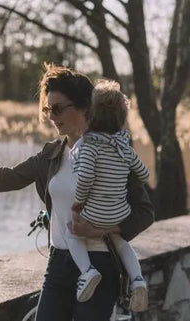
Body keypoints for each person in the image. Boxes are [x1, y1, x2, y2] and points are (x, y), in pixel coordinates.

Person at [0, 64, 154, 321]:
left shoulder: (111, 151)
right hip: (59, 263)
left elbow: (145, 212)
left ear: (85, 107)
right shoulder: (53, 153)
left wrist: (102, 230)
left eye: (58, 108)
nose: (51, 116)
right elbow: (10, 177)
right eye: (48, 109)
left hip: (100, 262)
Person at [66, 79, 149, 311]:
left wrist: (77, 204)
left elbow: (85, 178)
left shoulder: (90, 146)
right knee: (121, 242)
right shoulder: (124, 146)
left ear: (92, 115)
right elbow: (144, 174)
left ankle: (88, 272)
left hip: (95, 214)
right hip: (120, 214)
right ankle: (138, 280)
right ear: (122, 118)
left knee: (70, 232)